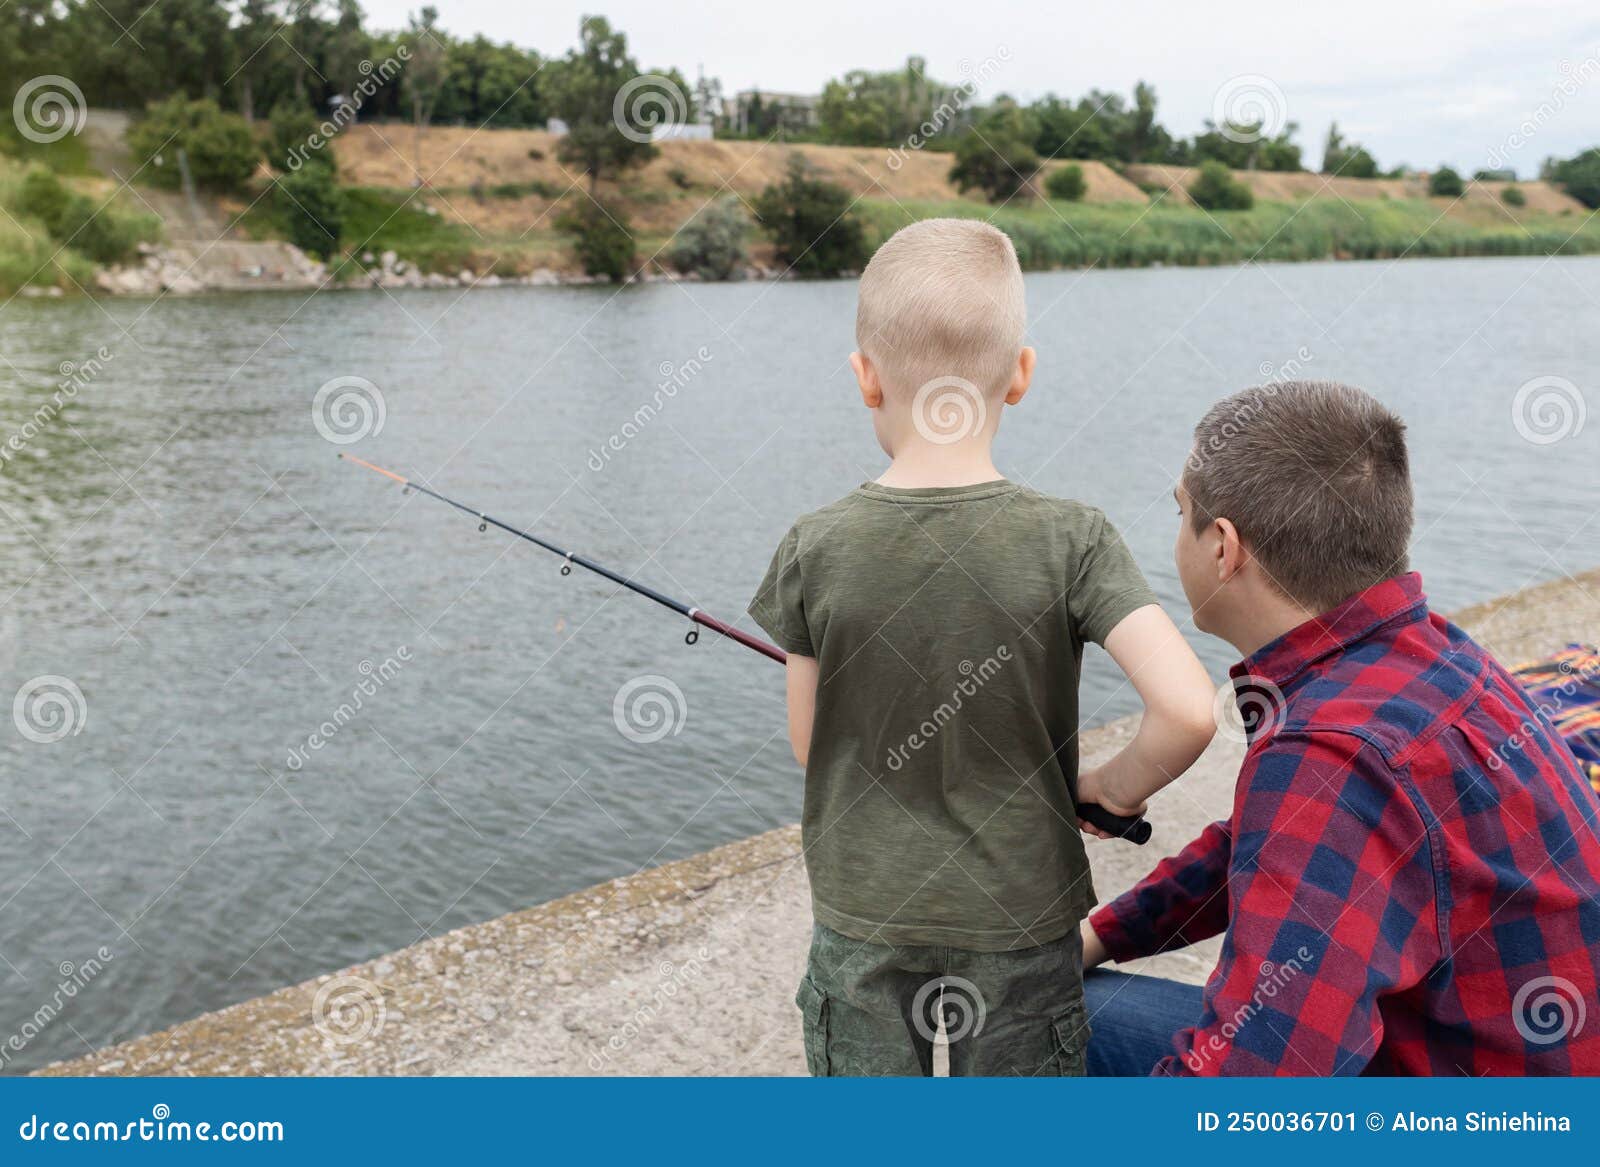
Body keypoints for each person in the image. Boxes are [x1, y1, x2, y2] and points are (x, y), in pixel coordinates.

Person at [747, 219, 1217, 1076]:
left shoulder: (812, 546)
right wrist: (1105, 788)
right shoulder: (1073, 539)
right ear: (1022, 375)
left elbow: (813, 745)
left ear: (864, 380)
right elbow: (1187, 710)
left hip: (864, 911)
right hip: (1022, 915)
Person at [1083, 380, 1600, 1075]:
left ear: (1224, 549)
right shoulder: (1432, 656)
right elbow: (1269, 846)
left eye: (1183, 512)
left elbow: (1249, 1098)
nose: (1178, 530)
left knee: (1057, 1017)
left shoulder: (1330, 755)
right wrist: (1096, 934)